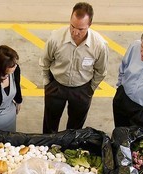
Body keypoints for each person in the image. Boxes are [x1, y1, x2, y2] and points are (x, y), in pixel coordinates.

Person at [39, 2, 108, 134]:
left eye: (81, 29)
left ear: (90, 25)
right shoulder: (55, 38)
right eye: (72, 26)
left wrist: (90, 89)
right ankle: (47, 147)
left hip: (82, 89)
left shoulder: (99, 45)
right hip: (56, 85)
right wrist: (47, 83)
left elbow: (101, 70)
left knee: (75, 128)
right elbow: (45, 61)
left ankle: (69, 150)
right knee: (50, 123)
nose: (75, 32)